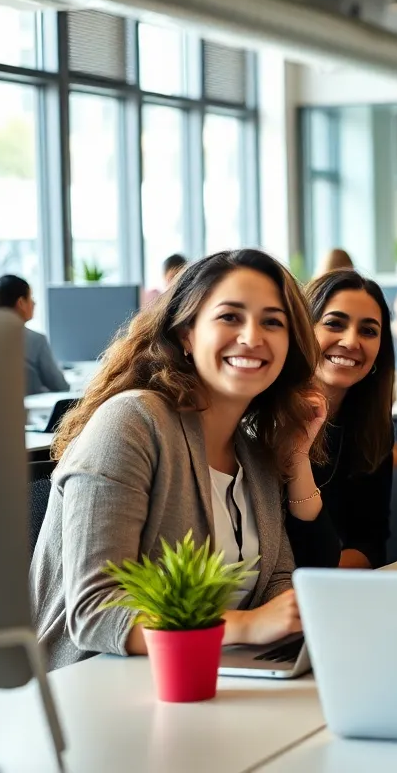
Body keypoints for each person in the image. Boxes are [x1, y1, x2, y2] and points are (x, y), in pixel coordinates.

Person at [30, 249, 329, 669]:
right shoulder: (132, 422)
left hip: (214, 675)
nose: (252, 337)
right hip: (93, 680)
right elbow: (96, 612)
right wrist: (246, 626)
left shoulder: (254, 452)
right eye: (230, 317)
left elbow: (276, 579)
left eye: (272, 322)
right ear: (187, 334)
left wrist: (304, 624)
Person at [286, 269, 396, 569]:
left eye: (368, 331)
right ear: (303, 329)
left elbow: (370, 542)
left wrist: (327, 582)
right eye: (335, 323)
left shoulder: (373, 428)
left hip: (326, 588)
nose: (350, 341)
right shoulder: (268, 419)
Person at [0, 274, 69, 396]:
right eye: (30, 297)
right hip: (29, 408)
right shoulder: (36, 340)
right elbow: (60, 386)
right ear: (21, 303)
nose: (34, 303)